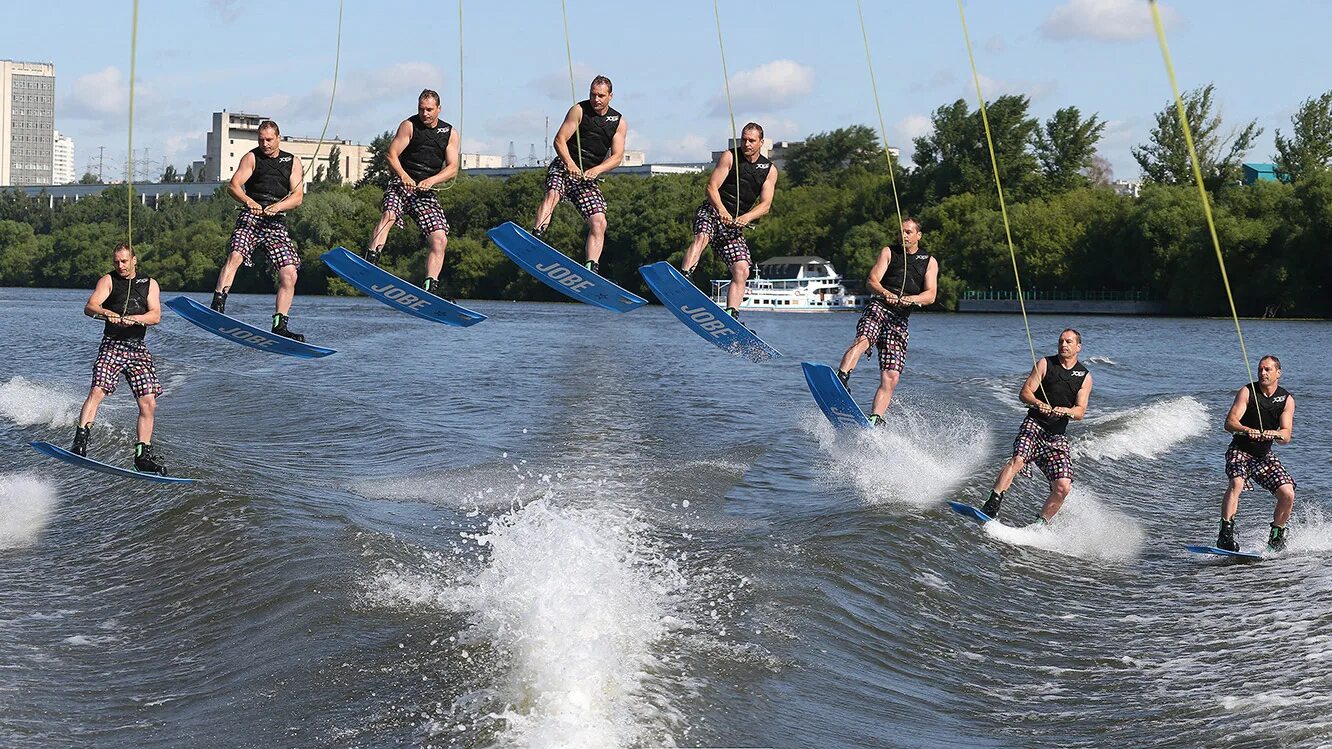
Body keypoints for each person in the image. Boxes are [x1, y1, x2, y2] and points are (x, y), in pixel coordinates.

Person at [71, 243, 167, 474]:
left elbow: (155, 316)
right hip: (112, 346)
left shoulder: (149, 284)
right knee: (97, 391)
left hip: (137, 348)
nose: (120, 266)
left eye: (124, 261)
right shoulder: (108, 280)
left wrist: (133, 318)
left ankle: (142, 456)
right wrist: (108, 313)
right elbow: (90, 306)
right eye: (116, 262)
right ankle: (80, 441)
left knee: (149, 402)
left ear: (134, 260)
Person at [981, 329, 1092, 524]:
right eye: (1060, 341)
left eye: (1068, 342)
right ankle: (992, 503)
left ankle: (1040, 524)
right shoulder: (1045, 364)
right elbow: (1024, 393)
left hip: (1056, 437)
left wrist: (1065, 411)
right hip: (1034, 424)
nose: (1063, 345)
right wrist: (1039, 403)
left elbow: (1080, 411)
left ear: (1078, 347)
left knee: (1063, 486)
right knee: (1018, 459)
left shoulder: (1084, 376)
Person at [834, 218, 937, 425]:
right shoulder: (889, 252)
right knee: (864, 339)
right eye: (901, 232)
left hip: (900, 319)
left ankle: (875, 418)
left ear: (918, 235)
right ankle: (841, 378)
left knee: (892, 375)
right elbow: (872, 281)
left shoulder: (929, 261)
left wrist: (910, 299)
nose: (904, 235)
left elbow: (930, 295)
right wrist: (884, 292)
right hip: (879, 307)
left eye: (909, 232)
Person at [210, 119, 306, 341]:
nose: (265, 144)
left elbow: (298, 198)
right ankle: (217, 304)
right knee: (236, 255)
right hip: (251, 217)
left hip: (275, 222)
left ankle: (279, 325)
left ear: (278, 138)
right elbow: (233, 186)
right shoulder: (252, 157)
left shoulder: (292, 162)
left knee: (289, 273)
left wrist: (278, 207)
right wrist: (248, 201)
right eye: (261, 140)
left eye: (269, 140)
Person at [364, 89, 460, 299]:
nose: (424, 114)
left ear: (438, 109)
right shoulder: (409, 125)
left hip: (426, 192)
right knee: (389, 215)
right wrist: (403, 175)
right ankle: (371, 260)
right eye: (421, 109)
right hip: (401, 184)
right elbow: (391, 154)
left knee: (440, 237)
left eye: (429, 110)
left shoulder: (449, 133)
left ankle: (430, 286)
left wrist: (431, 181)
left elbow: (453, 167)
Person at [680, 122, 778, 318]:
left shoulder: (769, 170)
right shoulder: (730, 156)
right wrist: (721, 210)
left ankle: (731, 313)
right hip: (712, 212)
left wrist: (746, 217)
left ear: (761, 142)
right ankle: (684, 277)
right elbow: (711, 186)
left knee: (742, 269)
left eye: (751, 140)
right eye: (744, 139)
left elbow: (765, 205)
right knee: (702, 236)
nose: (747, 144)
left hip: (734, 226)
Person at [532, 75, 626, 274]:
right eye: (593, 95)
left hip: (587, 178)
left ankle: (591, 266)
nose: (596, 99)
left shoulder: (618, 122)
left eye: (601, 95)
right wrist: (570, 165)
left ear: (611, 96)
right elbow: (559, 140)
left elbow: (617, 157)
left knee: (599, 220)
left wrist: (596, 170)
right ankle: (537, 236)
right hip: (565, 167)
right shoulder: (579, 110)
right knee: (552, 194)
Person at [1216, 355, 1296, 552]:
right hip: (1240, 450)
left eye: (1267, 369)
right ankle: (1225, 534)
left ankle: (1276, 536)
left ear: (1278, 373)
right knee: (1237, 482)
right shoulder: (1247, 392)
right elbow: (1229, 423)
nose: (1262, 373)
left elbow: (1285, 437)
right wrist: (1245, 429)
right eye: (1260, 369)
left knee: (1287, 493)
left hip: (1263, 456)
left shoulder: (1286, 399)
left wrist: (1274, 433)